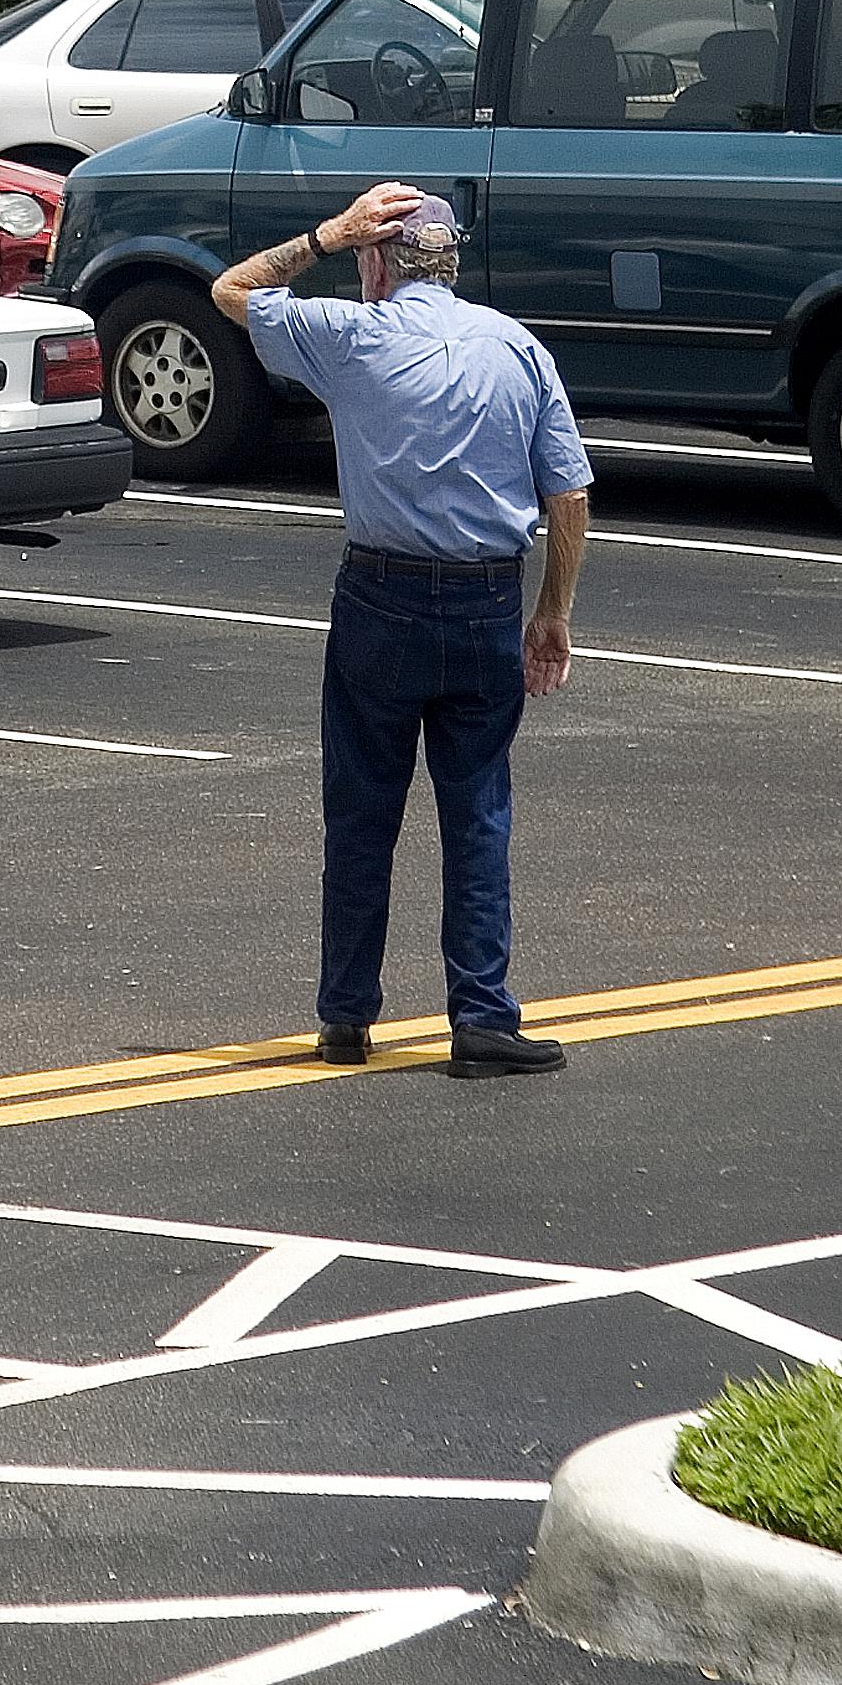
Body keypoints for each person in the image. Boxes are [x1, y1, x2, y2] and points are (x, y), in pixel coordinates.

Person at [210, 177, 591, 1079]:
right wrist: (553, 613)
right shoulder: (518, 347)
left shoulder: (350, 337)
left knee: (362, 810)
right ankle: (484, 1017)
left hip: (380, 597)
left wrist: (323, 236)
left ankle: (346, 1014)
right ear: (451, 261)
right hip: (487, 598)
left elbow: (232, 292)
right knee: (478, 812)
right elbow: (568, 492)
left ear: (376, 260)